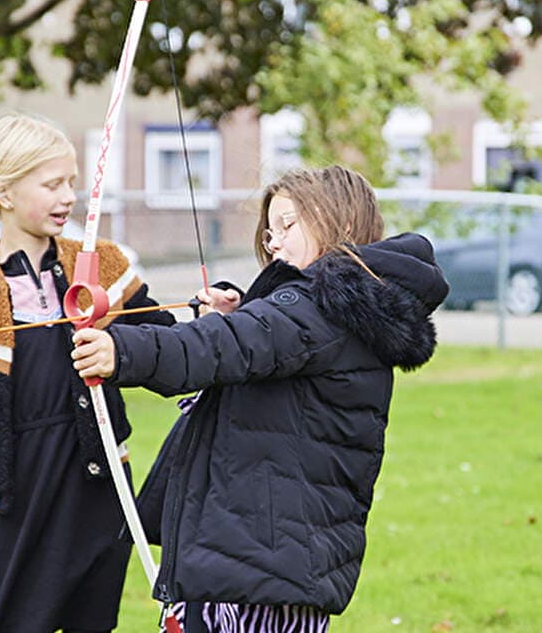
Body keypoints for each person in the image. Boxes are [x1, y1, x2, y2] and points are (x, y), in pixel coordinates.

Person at [70, 165, 450, 632]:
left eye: (289, 225)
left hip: (262, 571)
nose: (275, 243)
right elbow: (257, 343)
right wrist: (244, 312)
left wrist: (122, 350)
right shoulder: (338, 310)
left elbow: (223, 346)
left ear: (343, 225)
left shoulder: (317, 308)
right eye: (270, 233)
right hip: (269, 565)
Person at [0, 112, 177, 633]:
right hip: (21, 501)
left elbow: (168, 346)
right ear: (4, 193)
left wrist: (208, 317)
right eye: (52, 184)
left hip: (99, 493)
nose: (68, 197)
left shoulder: (101, 264)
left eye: (72, 183)